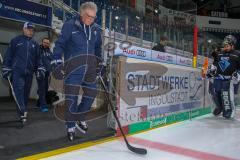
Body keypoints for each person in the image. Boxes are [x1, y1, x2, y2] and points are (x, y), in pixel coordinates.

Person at [51, 1, 102, 141]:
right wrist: (56, 60)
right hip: (73, 69)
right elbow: (60, 44)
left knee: (92, 93)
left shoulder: (96, 29)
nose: (91, 19)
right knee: (71, 99)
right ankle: (70, 126)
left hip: (90, 69)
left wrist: (99, 62)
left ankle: (80, 116)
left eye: (93, 17)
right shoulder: (70, 25)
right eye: (89, 16)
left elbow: (98, 48)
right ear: (81, 13)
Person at [1, 22, 45, 124]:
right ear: (24, 29)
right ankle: (23, 110)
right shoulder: (16, 41)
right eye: (29, 29)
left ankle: (21, 113)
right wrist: (6, 68)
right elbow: (8, 56)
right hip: (17, 71)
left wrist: (40, 68)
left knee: (25, 94)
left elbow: (38, 59)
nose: (31, 31)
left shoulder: (35, 44)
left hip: (29, 73)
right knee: (18, 91)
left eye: (32, 30)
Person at [207, 35, 240, 119]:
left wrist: (237, 74)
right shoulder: (219, 54)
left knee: (226, 93)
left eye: (227, 45)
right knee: (214, 92)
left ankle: (228, 111)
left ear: (233, 45)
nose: (225, 47)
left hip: (230, 79)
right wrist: (211, 71)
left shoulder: (237, 54)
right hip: (218, 77)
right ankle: (219, 107)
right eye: (225, 45)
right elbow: (215, 64)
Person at [36, 37, 52, 112]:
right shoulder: (38, 50)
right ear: (42, 42)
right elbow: (36, 60)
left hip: (47, 73)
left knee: (44, 89)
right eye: (45, 42)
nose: (46, 44)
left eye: (48, 43)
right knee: (42, 89)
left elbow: (51, 61)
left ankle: (39, 102)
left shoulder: (49, 51)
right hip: (40, 72)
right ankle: (43, 106)